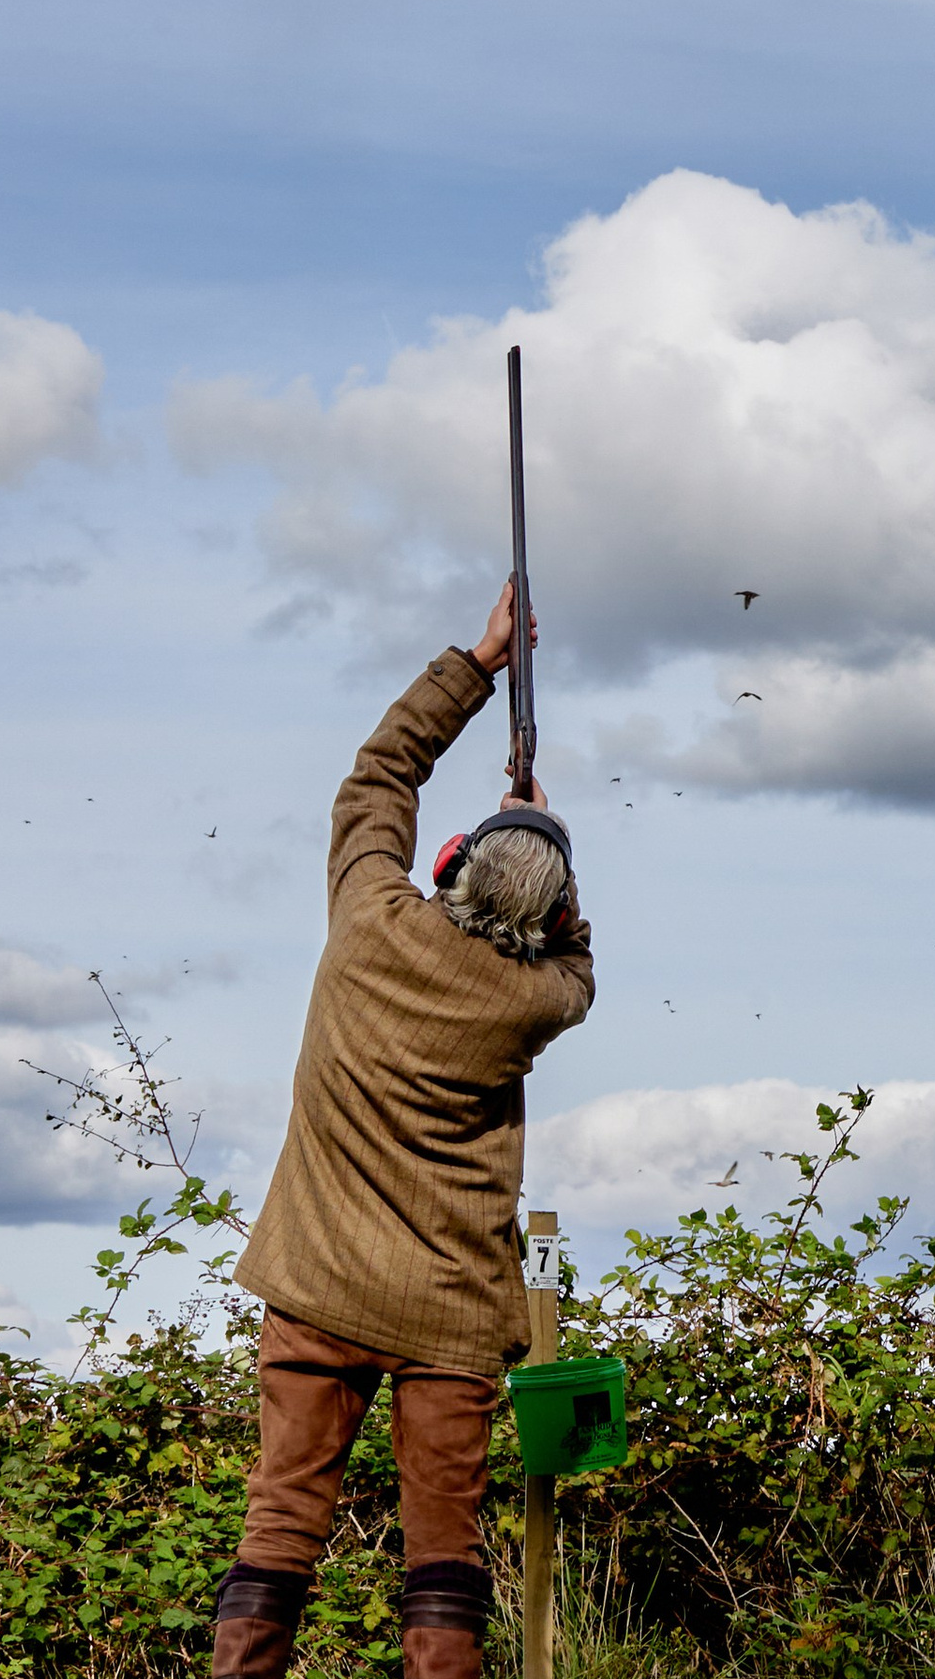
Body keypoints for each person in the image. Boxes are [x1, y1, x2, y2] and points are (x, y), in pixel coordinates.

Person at [208, 582, 595, 1679]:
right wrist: (547, 838)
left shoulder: (366, 924)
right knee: (442, 1565)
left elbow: (379, 774)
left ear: (447, 864)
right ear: (553, 918)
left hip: (319, 1284)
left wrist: (478, 663)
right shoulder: (537, 1000)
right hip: (448, 1315)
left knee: (280, 1529)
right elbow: (575, 962)